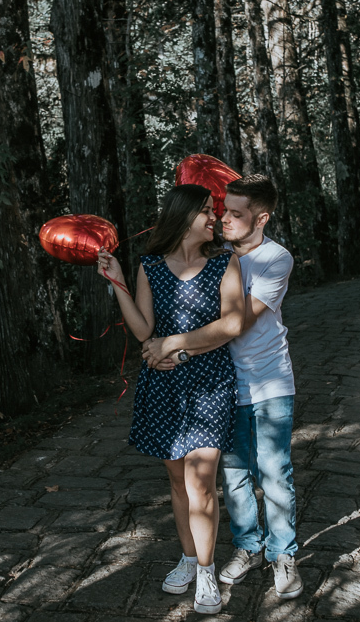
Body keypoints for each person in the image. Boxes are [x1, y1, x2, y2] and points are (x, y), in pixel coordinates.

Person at [142, 174, 301, 600]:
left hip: (267, 382)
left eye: (235, 213)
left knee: (273, 474)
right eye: (221, 211)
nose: (224, 220)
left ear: (261, 218)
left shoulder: (274, 259)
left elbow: (235, 325)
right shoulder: (217, 254)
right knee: (232, 479)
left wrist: (172, 345)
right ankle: (248, 547)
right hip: (224, 384)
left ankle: (283, 556)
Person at [97, 183, 244, 615]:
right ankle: (186, 556)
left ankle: (205, 572)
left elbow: (233, 324)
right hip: (162, 386)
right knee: (179, 483)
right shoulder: (150, 266)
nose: (215, 218)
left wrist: (175, 346)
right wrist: (118, 282)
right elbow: (143, 331)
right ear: (183, 217)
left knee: (202, 484)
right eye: (206, 211)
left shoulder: (225, 263)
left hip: (210, 383)